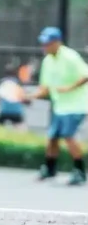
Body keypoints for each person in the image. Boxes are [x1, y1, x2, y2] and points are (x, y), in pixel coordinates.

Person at [25, 27, 88, 186]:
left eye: (49, 43)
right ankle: (50, 169)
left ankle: (79, 171)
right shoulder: (47, 61)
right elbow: (45, 88)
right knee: (52, 137)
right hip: (60, 106)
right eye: (44, 43)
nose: (45, 46)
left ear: (57, 42)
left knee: (68, 135)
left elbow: (86, 75)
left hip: (77, 106)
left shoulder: (70, 56)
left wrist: (69, 88)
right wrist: (30, 96)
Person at [0, 63, 26, 128]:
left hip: (4, 110)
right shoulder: (18, 83)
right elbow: (23, 97)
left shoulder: (1, 82)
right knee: (20, 129)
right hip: (16, 111)